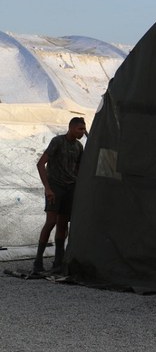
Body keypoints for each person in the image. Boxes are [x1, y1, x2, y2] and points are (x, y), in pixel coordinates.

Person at [33, 117, 87, 274]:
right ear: (71, 128)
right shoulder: (57, 141)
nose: (82, 132)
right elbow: (40, 164)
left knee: (63, 225)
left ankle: (58, 261)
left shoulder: (79, 147)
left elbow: (78, 168)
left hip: (70, 188)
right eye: (80, 129)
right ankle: (38, 261)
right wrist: (47, 188)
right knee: (50, 222)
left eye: (83, 130)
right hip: (55, 187)